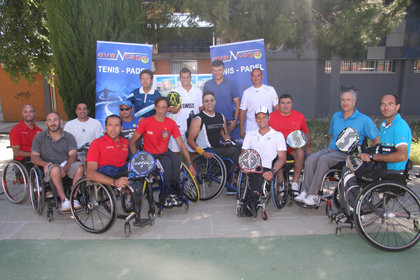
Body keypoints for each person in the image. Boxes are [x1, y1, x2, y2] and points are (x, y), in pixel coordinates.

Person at [295, 89, 380, 207]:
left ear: (354, 102)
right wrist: (328, 149)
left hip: (348, 153)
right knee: (311, 158)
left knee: (324, 159)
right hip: (332, 149)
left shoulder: (363, 119)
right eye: (343, 100)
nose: (345, 103)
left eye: (348, 100)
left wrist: (371, 155)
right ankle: (305, 191)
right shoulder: (336, 116)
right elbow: (332, 135)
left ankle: (314, 195)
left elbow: (377, 139)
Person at [340, 94, 412, 209]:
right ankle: (355, 204)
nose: (386, 107)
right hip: (381, 166)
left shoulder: (399, 126)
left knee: (349, 172)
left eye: (390, 104)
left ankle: (355, 208)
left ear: (397, 107)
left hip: (392, 171)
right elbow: (382, 147)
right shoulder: (385, 125)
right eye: (383, 104)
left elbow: (402, 155)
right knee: (351, 162)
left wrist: (372, 157)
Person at [129, 97, 196, 208]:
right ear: (155, 108)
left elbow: (181, 144)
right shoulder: (146, 122)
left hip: (164, 152)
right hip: (149, 155)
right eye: (159, 107)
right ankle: (165, 195)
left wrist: (190, 164)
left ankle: (174, 193)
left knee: (175, 160)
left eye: (164, 108)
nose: (161, 110)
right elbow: (132, 141)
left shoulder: (171, 123)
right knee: (166, 163)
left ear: (167, 109)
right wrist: (136, 157)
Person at [31, 112, 84, 212]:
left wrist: (65, 168)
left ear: (60, 121)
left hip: (65, 163)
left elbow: (73, 155)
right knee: (54, 169)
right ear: (46, 123)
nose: (53, 123)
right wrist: (44, 164)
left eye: (55, 120)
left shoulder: (69, 137)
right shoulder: (39, 137)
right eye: (50, 120)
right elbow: (34, 157)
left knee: (80, 167)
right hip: (50, 165)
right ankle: (64, 200)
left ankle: (74, 198)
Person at [241, 105, 287, 216]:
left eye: (264, 117)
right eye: (259, 118)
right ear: (256, 119)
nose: (262, 120)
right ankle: (252, 201)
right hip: (251, 166)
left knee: (260, 175)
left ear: (269, 117)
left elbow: (282, 158)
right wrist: (243, 166)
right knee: (254, 175)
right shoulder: (250, 135)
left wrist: (273, 172)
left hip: (268, 167)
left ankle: (250, 202)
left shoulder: (277, 135)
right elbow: (243, 154)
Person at [187, 91, 241, 175]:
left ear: (215, 102)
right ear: (203, 103)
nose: (209, 103)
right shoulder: (198, 119)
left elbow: (225, 136)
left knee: (241, 148)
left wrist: (234, 143)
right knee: (233, 151)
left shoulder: (220, 116)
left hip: (218, 147)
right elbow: (190, 141)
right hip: (207, 149)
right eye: (206, 101)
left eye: (211, 100)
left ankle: (234, 174)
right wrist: (203, 152)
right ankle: (234, 176)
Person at [269, 94, 311, 194]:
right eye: (282, 103)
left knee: (300, 152)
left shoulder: (299, 116)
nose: (285, 106)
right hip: (277, 148)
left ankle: (295, 183)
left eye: (288, 103)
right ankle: (281, 183)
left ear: (292, 104)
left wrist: (308, 147)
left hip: (293, 147)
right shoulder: (271, 116)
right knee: (277, 155)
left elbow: (306, 133)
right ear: (278, 105)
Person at [86, 115, 130, 190]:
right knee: (109, 169)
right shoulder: (96, 143)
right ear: (105, 127)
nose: (113, 129)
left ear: (121, 128)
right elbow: (90, 173)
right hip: (107, 174)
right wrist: (114, 182)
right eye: (110, 125)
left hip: (122, 172)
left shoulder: (125, 142)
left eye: (116, 125)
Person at [167, 67, 202, 154]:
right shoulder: (174, 91)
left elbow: (201, 108)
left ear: (190, 78)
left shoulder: (198, 91)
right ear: (180, 78)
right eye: (183, 77)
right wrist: (172, 109)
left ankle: (191, 168)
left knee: (193, 152)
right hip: (179, 127)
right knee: (176, 153)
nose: (185, 79)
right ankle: (178, 168)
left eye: (187, 77)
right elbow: (169, 109)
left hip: (193, 128)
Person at [239, 68, 279, 138]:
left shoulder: (271, 90)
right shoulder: (246, 92)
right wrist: (241, 129)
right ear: (251, 77)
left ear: (262, 76)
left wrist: (278, 124)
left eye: (258, 75)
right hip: (251, 130)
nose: (256, 78)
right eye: (254, 76)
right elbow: (242, 112)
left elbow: (277, 108)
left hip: (268, 129)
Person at [204, 60, 240, 133]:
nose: (217, 73)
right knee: (212, 145)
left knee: (227, 144)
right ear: (212, 71)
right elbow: (204, 104)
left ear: (224, 70)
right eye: (214, 70)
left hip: (227, 123)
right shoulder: (207, 85)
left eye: (219, 70)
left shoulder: (231, 84)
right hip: (211, 122)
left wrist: (235, 120)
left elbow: (237, 103)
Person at [9, 104, 42, 169]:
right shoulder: (15, 130)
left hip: (38, 158)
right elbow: (16, 152)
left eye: (31, 112)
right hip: (24, 161)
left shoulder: (39, 130)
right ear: (22, 114)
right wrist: (33, 155)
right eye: (25, 112)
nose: (28, 114)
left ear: (35, 113)